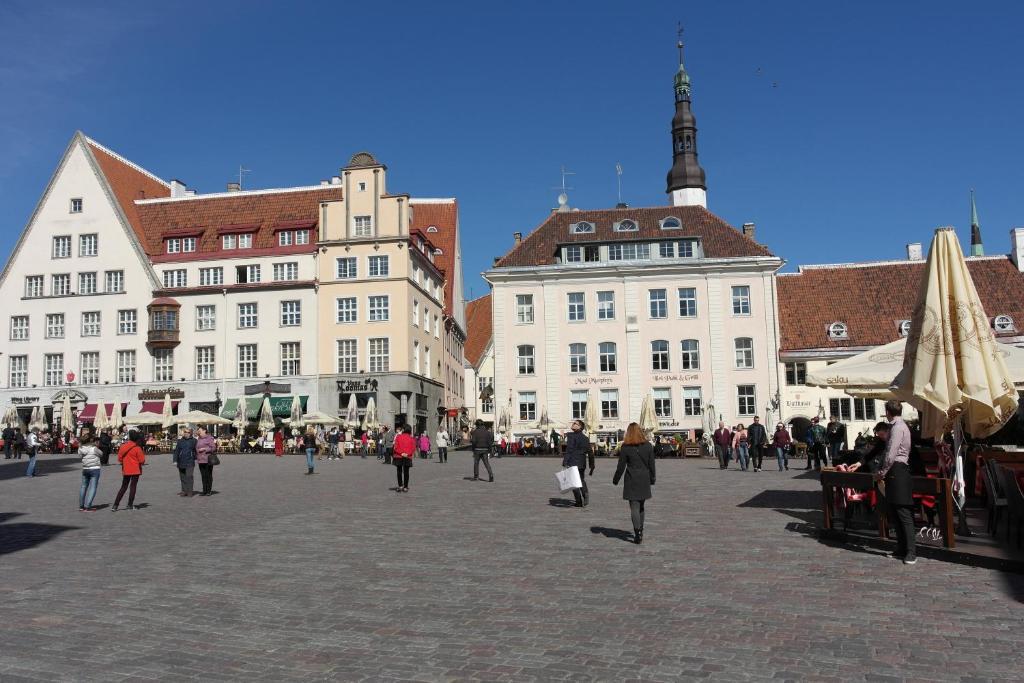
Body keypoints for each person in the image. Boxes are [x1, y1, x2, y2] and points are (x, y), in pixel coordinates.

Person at [874, 401, 916, 565]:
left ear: (887, 412)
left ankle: (911, 551)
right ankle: (901, 547)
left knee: (903, 512)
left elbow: (891, 452)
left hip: (897, 469)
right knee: (895, 512)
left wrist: (882, 472)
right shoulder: (897, 426)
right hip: (895, 470)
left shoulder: (897, 427)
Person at [612, 423, 656, 544]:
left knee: (634, 507)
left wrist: (616, 479)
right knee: (641, 506)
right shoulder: (648, 446)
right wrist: (653, 478)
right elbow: (652, 465)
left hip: (631, 478)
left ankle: (638, 532)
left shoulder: (626, 447)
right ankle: (640, 529)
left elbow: (621, 466)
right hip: (644, 478)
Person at [113, 430, 146, 511]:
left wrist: (125, 462)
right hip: (135, 470)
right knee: (133, 487)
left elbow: (119, 459)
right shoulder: (137, 448)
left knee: (123, 487)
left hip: (126, 469)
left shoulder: (123, 446)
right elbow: (142, 460)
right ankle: (130, 504)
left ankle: (115, 505)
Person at [563, 420, 591, 507]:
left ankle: (578, 501)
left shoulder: (571, 436)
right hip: (582, 462)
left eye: (575, 423)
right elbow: (589, 451)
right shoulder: (585, 438)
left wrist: (565, 462)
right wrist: (591, 464)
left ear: (580, 427)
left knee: (573, 482)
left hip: (573, 461)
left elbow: (569, 450)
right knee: (581, 479)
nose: (573, 424)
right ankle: (585, 494)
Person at [78, 433, 103, 511]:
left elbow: (80, 456)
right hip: (94, 468)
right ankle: (88, 506)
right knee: (93, 487)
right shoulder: (94, 448)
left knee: (83, 486)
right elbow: (101, 454)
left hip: (85, 468)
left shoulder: (80, 448)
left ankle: (81, 506)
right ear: (91, 440)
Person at [173, 427, 198, 497]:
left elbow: (197, 450)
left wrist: (195, 456)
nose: (186, 433)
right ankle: (184, 491)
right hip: (181, 461)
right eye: (185, 432)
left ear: (191, 433)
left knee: (189, 476)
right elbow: (176, 451)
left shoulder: (194, 441)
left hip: (190, 461)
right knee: (182, 477)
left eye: (188, 432)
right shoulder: (180, 441)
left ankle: (190, 491)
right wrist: (175, 460)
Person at [393, 424, 415, 492]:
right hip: (407, 456)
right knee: (406, 472)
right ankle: (405, 487)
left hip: (399, 456)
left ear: (403, 429)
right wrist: (407, 454)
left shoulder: (398, 437)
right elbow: (413, 448)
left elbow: (395, 447)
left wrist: (401, 453)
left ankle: (400, 486)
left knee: (399, 471)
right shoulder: (411, 438)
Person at [195, 427, 218, 496]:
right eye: (198, 431)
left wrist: (205, 449)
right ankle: (204, 490)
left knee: (208, 475)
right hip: (200, 460)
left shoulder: (209, 438)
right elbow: (196, 447)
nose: (198, 432)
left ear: (204, 431)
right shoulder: (199, 439)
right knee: (203, 476)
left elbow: (213, 448)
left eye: (200, 431)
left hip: (208, 459)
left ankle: (208, 491)